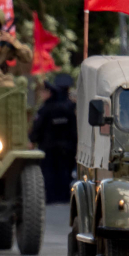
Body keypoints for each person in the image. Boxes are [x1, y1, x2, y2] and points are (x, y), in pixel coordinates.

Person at [30, 74, 77, 203]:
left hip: (48, 148)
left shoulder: (46, 109)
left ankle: (51, 197)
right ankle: (64, 197)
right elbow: (75, 129)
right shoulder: (70, 108)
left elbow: (37, 128)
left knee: (49, 173)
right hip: (68, 147)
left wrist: (32, 140)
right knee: (65, 172)